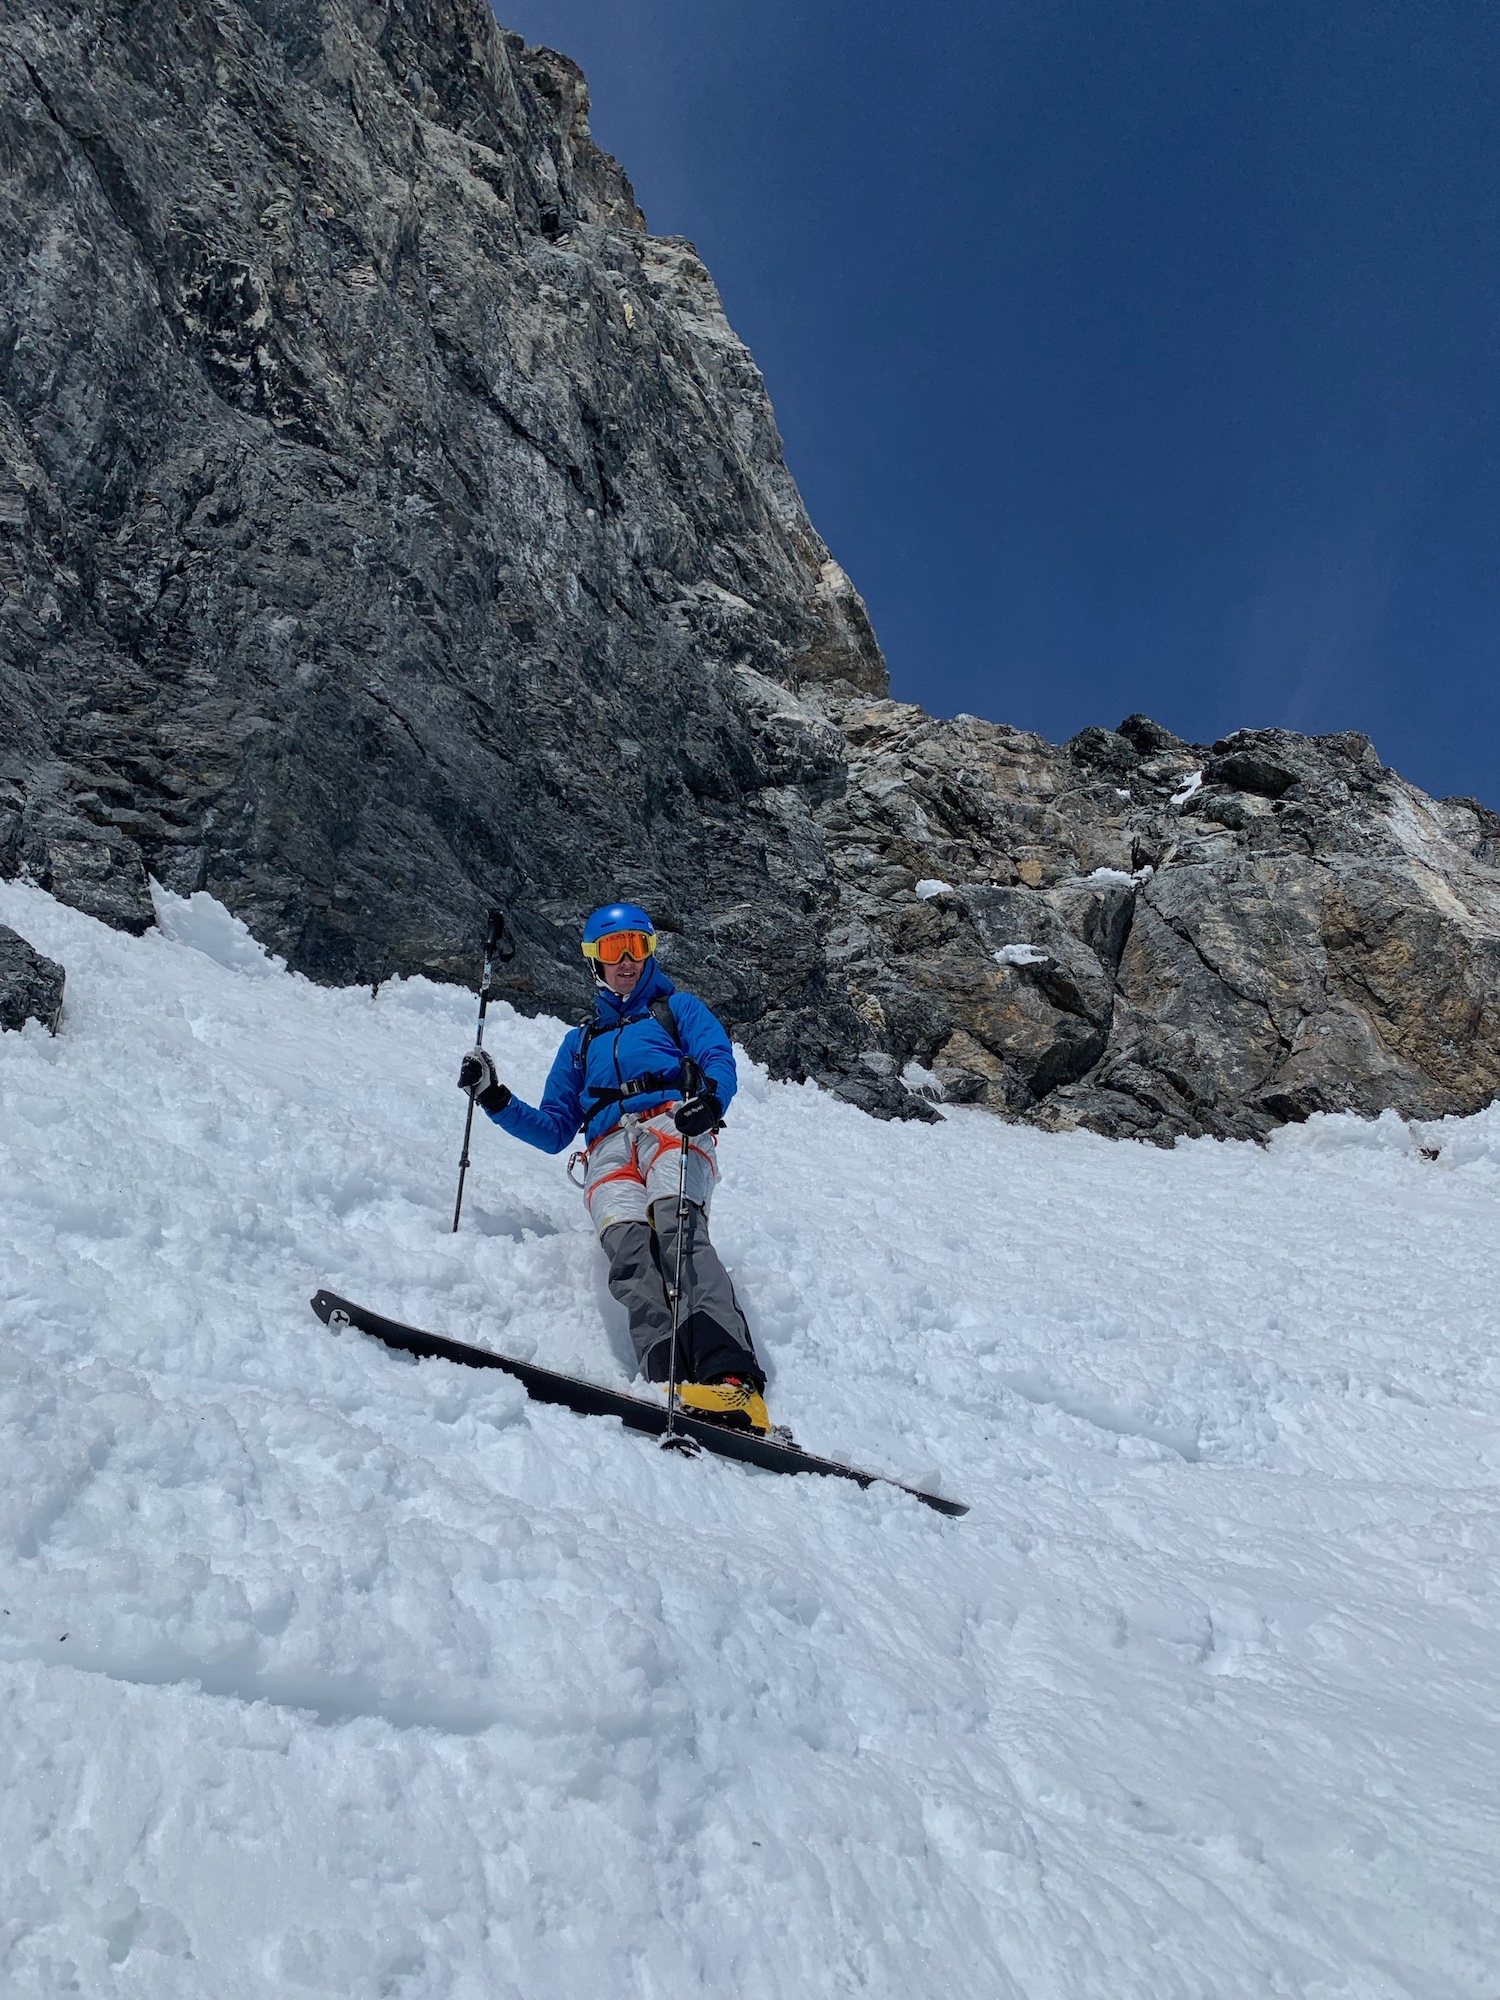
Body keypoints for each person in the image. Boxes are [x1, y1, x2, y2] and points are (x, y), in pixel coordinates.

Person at [457, 903, 771, 1434]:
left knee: (678, 1231)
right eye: (611, 949)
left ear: (649, 951)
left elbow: (718, 1057)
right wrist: (494, 1098)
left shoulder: (678, 1009)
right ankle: (666, 1376)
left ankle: (732, 1380)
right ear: (593, 961)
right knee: (630, 1256)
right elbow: (556, 1128)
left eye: (637, 946)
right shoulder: (578, 1044)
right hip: (605, 1149)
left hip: (672, 1126)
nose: (626, 960)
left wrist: (712, 1102)